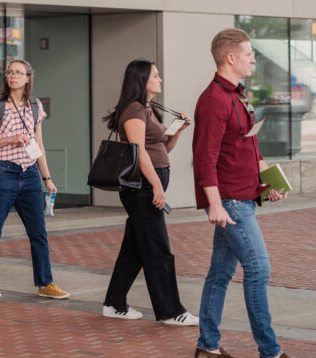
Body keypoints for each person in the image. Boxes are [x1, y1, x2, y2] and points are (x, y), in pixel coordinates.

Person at [193, 29, 290, 358]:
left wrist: (268, 183)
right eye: (249, 54)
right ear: (231, 57)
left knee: (220, 274)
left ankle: (207, 346)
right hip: (231, 202)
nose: (254, 59)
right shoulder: (214, 100)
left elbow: (248, 146)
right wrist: (215, 204)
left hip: (243, 196)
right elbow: (205, 158)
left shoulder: (238, 95)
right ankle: (270, 350)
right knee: (259, 268)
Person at [100, 59, 197, 326]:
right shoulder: (133, 110)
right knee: (158, 249)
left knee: (134, 250)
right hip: (141, 187)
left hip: (149, 183)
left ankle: (114, 303)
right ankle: (170, 311)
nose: (160, 79)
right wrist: (155, 185)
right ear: (141, 80)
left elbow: (162, 148)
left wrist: (178, 131)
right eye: (155, 75)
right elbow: (139, 150)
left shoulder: (148, 109)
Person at [0, 60, 69, 300]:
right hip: (2, 173)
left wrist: (47, 178)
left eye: (18, 72)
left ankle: (45, 283)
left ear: (28, 78)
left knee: (39, 233)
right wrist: (11, 139)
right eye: (10, 72)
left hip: (30, 175)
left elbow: (39, 145)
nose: (13, 76)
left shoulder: (35, 106)